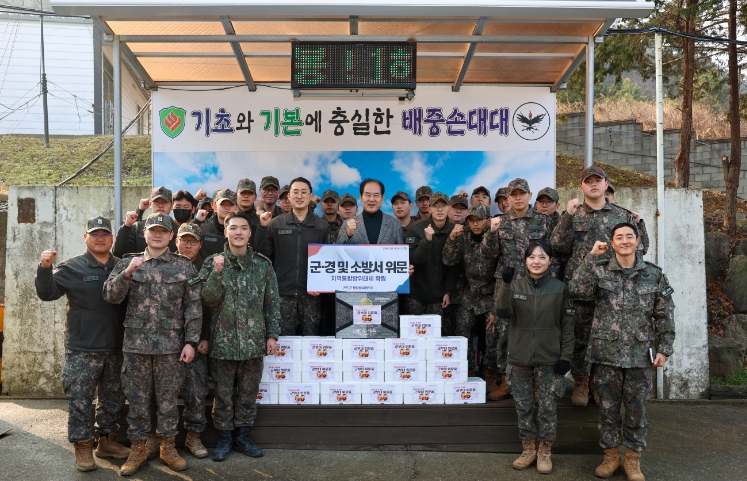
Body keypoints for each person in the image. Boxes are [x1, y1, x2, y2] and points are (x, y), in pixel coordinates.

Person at [569, 223, 675, 481]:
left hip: (640, 355)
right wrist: (591, 256)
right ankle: (611, 456)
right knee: (607, 411)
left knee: (637, 411)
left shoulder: (654, 274)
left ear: (638, 241)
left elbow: (664, 314)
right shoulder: (599, 269)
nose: (625, 241)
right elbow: (576, 289)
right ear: (612, 243)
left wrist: (664, 349)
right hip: (607, 354)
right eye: (619, 237)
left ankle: (633, 459)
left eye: (629, 236)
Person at [103, 213, 202, 476]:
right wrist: (128, 273)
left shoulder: (183, 266)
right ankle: (138, 449)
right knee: (137, 400)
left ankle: (168, 448)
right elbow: (110, 296)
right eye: (153, 230)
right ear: (144, 233)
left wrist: (191, 342)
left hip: (171, 347)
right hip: (136, 346)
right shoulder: (128, 262)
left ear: (171, 235)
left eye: (163, 231)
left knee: (168, 400)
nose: (157, 234)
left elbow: (193, 308)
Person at [34, 216, 129, 472]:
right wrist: (44, 268)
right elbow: (47, 293)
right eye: (94, 233)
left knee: (113, 398)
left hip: (117, 347)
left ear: (112, 238)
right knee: (81, 399)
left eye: (105, 233)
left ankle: (107, 441)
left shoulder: (122, 266)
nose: (100, 238)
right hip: (83, 348)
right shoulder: (71, 267)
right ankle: (83, 445)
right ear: (85, 237)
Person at [550, 166, 648, 407]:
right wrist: (568, 217)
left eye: (598, 180)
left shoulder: (622, 215)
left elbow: (639, 249)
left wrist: (641, 224)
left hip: (611, 289)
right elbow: (558, 246)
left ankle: (597, 383)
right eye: (588, 181)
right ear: (581, 187)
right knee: (579, 338)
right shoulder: (572, 214)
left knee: (607, 339)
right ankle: (581, 383)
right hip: (580, 286)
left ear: (606, 185)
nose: (593, 184)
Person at [199, 211, 281, 462]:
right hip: (222, 343)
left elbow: (272, 302)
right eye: (233, 228)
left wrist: (272, 335)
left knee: (248, 394)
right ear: (225, 232)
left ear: (250, 233)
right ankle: (224, 438)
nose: (238, 232)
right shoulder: (213, 262)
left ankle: (243, 437)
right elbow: (206, 301)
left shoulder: (262, 264)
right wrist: (217, 273)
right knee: (222, 396)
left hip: (253, 343)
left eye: (243, 228)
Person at [495, 241, 574, 475]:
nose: (536, 261)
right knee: (524, 406)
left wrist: (566, 356)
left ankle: (545, 450)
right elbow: (502, 312)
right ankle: (528, 449)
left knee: (547, 408)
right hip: (519, 359)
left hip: (549, 359)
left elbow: (568, 326)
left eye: (542, 257)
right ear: (525, 260)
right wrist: (505, 284)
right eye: (531, 257)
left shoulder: (560, 289)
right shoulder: (515, 285)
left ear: (550, 261)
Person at [484, 178, 555, 401]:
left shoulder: (544, 221)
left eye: (521, 194)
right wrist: (491, 233)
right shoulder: (500, 222)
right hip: (508, 288)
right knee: (504, 336)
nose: (517, 198)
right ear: (508, 198)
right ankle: (506, 382)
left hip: (536, 288)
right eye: (513, 195)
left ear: (529, 195)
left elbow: (554, 254)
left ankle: (535, 385)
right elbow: (488, 255)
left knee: (536, 335)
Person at [255, 177, 331, 336]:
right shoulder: (276, 223)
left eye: (304, 192)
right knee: (284, 344)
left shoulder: (322, 226)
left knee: (311, 343)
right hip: (282, 295)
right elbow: (263, 255)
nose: (299, 196)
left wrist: (321, 284)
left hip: (311, 297)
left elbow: (328, 261)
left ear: (310, 196)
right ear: (289, 196)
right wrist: (262, 228)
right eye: (295, 192)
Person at [442, 203, 499, 376]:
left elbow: (498, 264)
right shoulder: (464, 235)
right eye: (471, 220)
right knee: (462, 329)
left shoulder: (496, 235)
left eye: (479, 220)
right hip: (471, 293)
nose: (475, 224)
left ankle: (490, 372)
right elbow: (449, 260)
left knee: (492, 334)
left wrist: (496, 308)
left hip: (491, 294)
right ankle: (466, 369)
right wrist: (452, 238)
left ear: (488, 220)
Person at [174, 223, 211, 459]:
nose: (188, 245)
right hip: (166, 338)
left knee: (196, 390)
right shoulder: (166, 264)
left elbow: (210, 307)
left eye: (193, 241)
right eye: (184, 240)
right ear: (175, 241)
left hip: (197, 340)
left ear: (200, 244)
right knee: (162, 391)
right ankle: (159, 437)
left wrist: (204, 336)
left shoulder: (206, 269)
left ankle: (193, 436)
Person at [404, 192, 457, 316]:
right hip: (415, 294)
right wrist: (426, 241)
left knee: (437, 328)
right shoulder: (416, 228)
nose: (439, 209)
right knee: (413, 328)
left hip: (439, 296)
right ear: (429, 209)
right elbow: (414, 260)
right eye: (435, 206)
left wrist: (448, 292)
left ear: (449, 208)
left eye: (443, 206)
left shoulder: (453, 230)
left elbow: (454, 266)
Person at [113, 186, 176, 257]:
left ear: (171, 206)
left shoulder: (177, 229)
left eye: (165, 202)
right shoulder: (137, 227)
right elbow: (119, 254)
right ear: (150, 204)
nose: (160, 205)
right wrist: (126, 226)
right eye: (156, 201)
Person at [336, 179, 404, 245]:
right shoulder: (348, 224)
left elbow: (402, 251)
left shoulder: (394, 224)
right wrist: (348, 234)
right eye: (368, 195)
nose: (371, 199)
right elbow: (337, 249)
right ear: (361, 197)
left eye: (376, 195)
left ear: (382, 198)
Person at [443, 194, 469, 337]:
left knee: (463, 337)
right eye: (455, 207)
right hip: (441, 293)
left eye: (462, 208)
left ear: (468, 211)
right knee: (443, 336)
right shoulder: (439, 228)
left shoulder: (473, 230)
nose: (458, 211)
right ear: (448, 209)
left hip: (465, 295)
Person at [194, 189, 238, 259]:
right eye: (222, 204)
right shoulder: (203, 229)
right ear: (214, 206)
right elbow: (184, 237)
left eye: (231, 204)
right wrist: (196, 221)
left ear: (236, 208)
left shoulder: (241, 232)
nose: (227, 208)